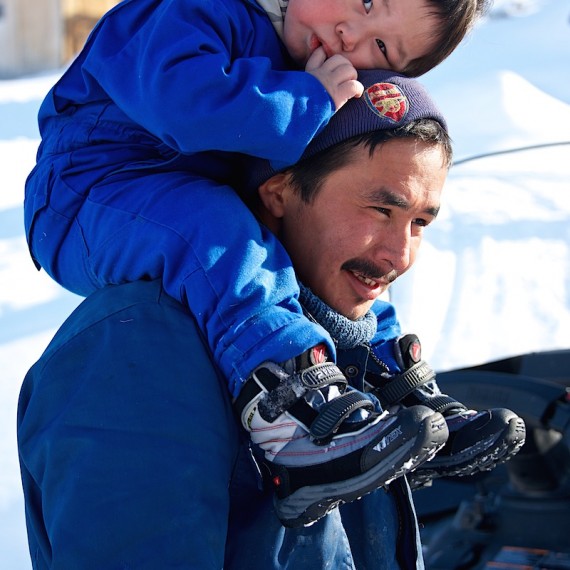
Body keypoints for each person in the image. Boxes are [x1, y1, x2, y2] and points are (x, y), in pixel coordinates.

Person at [18, 70, 525, 569]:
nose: (401, 254)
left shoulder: (342, 355)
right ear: (279, 192)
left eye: (419, 222)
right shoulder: (140, 345)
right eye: (377, 209)